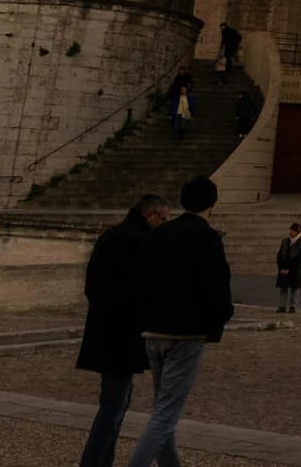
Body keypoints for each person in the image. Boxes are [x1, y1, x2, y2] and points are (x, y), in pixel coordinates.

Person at [125, 176, 233, 467]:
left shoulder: (159, 233)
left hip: (153, 330)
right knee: (165, 414)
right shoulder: (208, 238)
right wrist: (220, 319)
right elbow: (218, 286)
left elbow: (140, 279)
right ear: (212, 203)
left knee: (163, 408)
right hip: (186, 334)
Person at [74, 193, 169, 467]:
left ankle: (103, 460)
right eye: (162, 219)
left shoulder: (111, 236)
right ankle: (93, 462)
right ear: (151, 215)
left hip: (105, 329)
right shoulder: (141, 241)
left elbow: (91, 286)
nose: (163, 225)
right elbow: (148, 290)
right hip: (123, 334)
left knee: (115, 402)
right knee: (113, 407)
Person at [275, 222, 301, 313]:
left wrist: (289, 269)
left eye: (293, 231)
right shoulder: (285, 240)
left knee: (294, 288)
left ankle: (292, 306)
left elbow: (300, 257)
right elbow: (279, 255)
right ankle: (282, 306)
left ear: (297, 232)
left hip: (295, 269)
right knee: (283, 288)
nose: (291, 232)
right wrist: (281, 268)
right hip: (283, 268)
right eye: (290, 230)